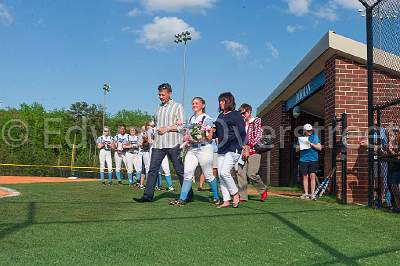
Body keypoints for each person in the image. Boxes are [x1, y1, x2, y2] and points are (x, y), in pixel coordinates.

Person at [134, 83, 192, 202]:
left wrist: (166, 128)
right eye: (159, 94)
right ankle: (147, 196)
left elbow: (183, 126)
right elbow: (155, 124)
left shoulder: (178, 106)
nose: (160, 96)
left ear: (170, 94)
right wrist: (153, 127)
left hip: (173, 144)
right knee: (152, 169)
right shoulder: (158, 108)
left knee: (179, 169)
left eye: (163, 94)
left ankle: (188, 194)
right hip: (158, 144)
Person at [169, 97, 220, 206]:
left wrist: (198, 137)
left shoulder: (207, 118)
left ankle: (216, 197)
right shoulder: (191, 118)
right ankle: (182, 199)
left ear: (203, 105)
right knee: (187, 173)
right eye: (193, 103)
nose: (194, 105)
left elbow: (210, 137)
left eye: (197, 103)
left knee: (208, 175)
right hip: (192, 149)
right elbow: (186, 132)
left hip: (204, 148)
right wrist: (182, 128)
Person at [214, 92, 247, 208]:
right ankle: (226, 200)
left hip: (234, 147)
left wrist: (245, 146)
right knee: (220, 174)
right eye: (220, 101)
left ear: (229, 102)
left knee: (224, 172)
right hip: (222, 148)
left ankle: (235, 194)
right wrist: (206, 132)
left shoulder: (236, 115)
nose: (220, 103)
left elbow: (243, 132)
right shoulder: (220, 116)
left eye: (223, 101)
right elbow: (216, 133)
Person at [237, 103, 268, 202]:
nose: (242, 115)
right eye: (241, 113)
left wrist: (247, 145)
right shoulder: (240, 124)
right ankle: (243, 196)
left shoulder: (256, 121)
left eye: (244, 113)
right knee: (240, 172)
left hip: (254, 151)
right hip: (242, 151)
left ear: (249, 111)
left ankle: (263, 189)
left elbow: (257, 136)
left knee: (251, 174)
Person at [298, 124, 322, 200]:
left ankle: (312, 194)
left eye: (311, 130)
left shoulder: (315, 137)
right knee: (305, 176)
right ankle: (306, 194)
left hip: (313, 159)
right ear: (304, 131)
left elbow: (320, 148)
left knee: (312, 176)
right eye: (308, 131)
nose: (310, 132)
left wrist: (311, 144)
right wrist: (300, 147)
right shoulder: (301, 139)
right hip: (303, 159)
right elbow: (296, 149)